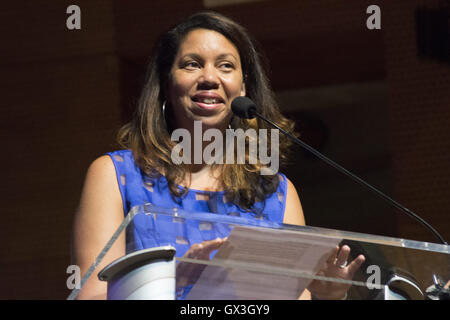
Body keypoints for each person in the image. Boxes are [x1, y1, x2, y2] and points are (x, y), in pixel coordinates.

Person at [72, 11, 365, 300]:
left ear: (243, 87)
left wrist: (329, 296)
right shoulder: (116, 175)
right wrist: (174, 281)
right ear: (166, 83)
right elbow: (91, 297)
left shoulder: (277, 193)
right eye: (192, 65)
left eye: (226, 66)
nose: (210, 77)